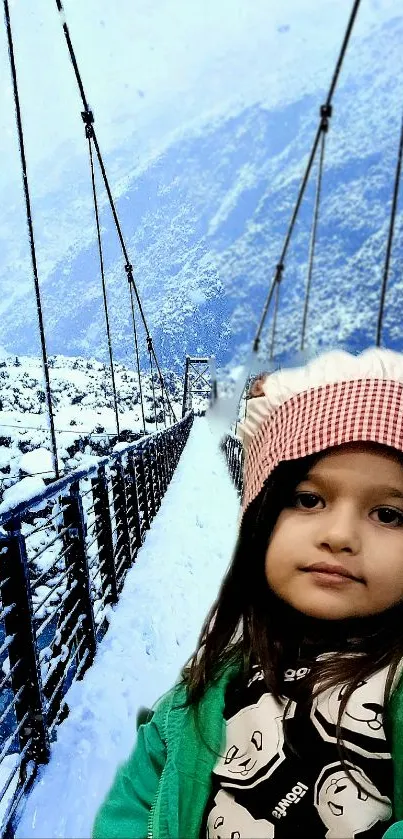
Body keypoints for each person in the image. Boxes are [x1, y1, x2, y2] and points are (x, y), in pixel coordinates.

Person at [92, 347, 403, 839]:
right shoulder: (204, 694)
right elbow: (137, 801)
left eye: (389, 514)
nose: (340, 535)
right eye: (308, 499)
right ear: (258, 524)